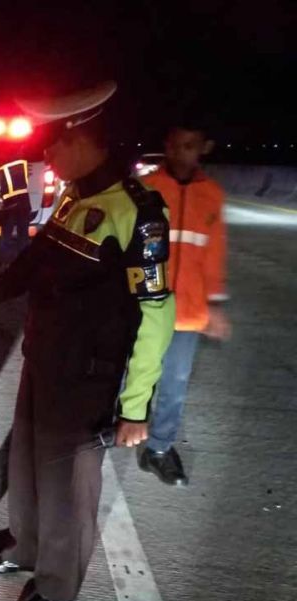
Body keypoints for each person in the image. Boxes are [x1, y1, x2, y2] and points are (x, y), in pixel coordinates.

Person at [0, 81, 175, 601]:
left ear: (88, 139)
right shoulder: (76, 198)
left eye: (56, 142)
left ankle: (57, 582)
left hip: (89, 380)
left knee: (68, 485)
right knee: (31, 467)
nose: (48, 153)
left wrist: (135, 406)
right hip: (45, 361)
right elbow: (32, 265)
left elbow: (157, 311)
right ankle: (26, 548)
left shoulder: (138, 213)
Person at [138, 120, 229, 486]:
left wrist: (215, 305)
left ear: (203, 147)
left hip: (187, 313)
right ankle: (118, 429)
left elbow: (214, 255)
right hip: (144, 308)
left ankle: (158, 450)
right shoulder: (145, 189)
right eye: (175, 145)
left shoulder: (212, 196)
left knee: (174, 384)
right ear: (167, 145)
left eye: (190, 145)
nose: (181, 153)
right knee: (131, 377)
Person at [0, 158, 33, 262]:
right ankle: (23, 259)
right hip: (24, 203)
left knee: (6, 233)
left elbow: (0, 187)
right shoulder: (22, 163)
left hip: (10, 205)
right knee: (23, 233)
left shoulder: (4, 168)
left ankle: (5, 259)